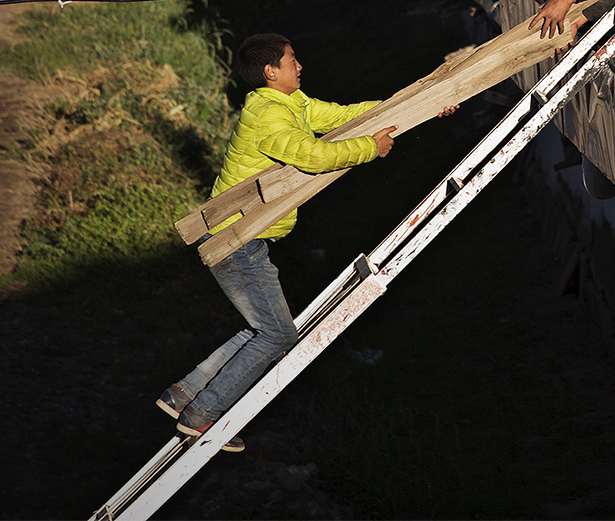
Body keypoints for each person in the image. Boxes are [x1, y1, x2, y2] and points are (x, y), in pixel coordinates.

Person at [158, 34, 453, 450]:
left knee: (265, 330)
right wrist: (369, 149)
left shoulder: (289, 103)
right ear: (270, 71)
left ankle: (183, 394)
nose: (300, 66)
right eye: (292, 60)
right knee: (277, 336)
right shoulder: (268, 116)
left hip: (244, 238)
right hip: (235, 241)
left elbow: (344, 115)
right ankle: (202, 414)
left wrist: (420, 110)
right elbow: (313, 156)